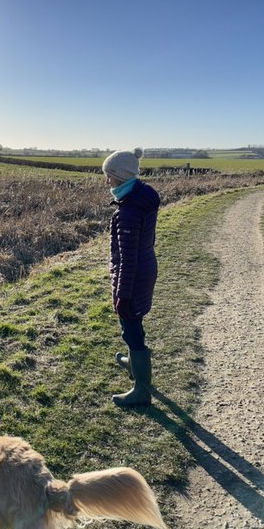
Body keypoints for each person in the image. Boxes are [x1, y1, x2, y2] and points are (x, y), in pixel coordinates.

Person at [104, 148, 160, 407]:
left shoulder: (128, 212)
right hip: (145, 269)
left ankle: (142, 390)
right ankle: (132, 363)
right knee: (133, 326)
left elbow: (127, 260)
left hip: (133, 278)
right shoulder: (141, 199)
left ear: (120, 178)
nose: (108, 182)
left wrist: (122, 295)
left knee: (132, 328)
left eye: (110, 177)